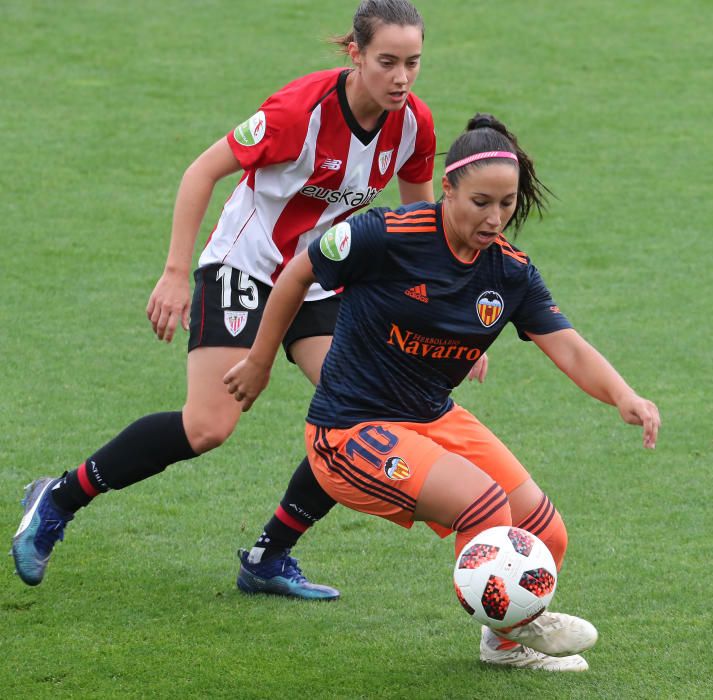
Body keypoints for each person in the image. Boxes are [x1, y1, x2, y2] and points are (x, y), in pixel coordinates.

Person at [13, 0, 470, 600]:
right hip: (245, 267)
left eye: (413, 63)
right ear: (355, 54)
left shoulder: (413, 124)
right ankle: (60, 497)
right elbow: (201, 171)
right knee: (207, 427)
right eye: (387, 62)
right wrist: (177, 272)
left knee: (359, 417)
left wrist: (438, 311)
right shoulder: (297, 111)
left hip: (321, 280)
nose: (401, 78)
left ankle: (268, 556)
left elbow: (417, 226)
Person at [222, 113, 661, 671]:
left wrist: (624, 395)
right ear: (446, 188)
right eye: (481, 202)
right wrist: (259, 361)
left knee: (545, 531)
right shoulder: (385, 235)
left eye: (507, 204)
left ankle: (503, 644)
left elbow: (568, 346)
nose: (495, 218)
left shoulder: (510, 274)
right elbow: (297, 275)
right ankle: (514, 630)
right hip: (350, 429)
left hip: (432, 418)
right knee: (483, 504)